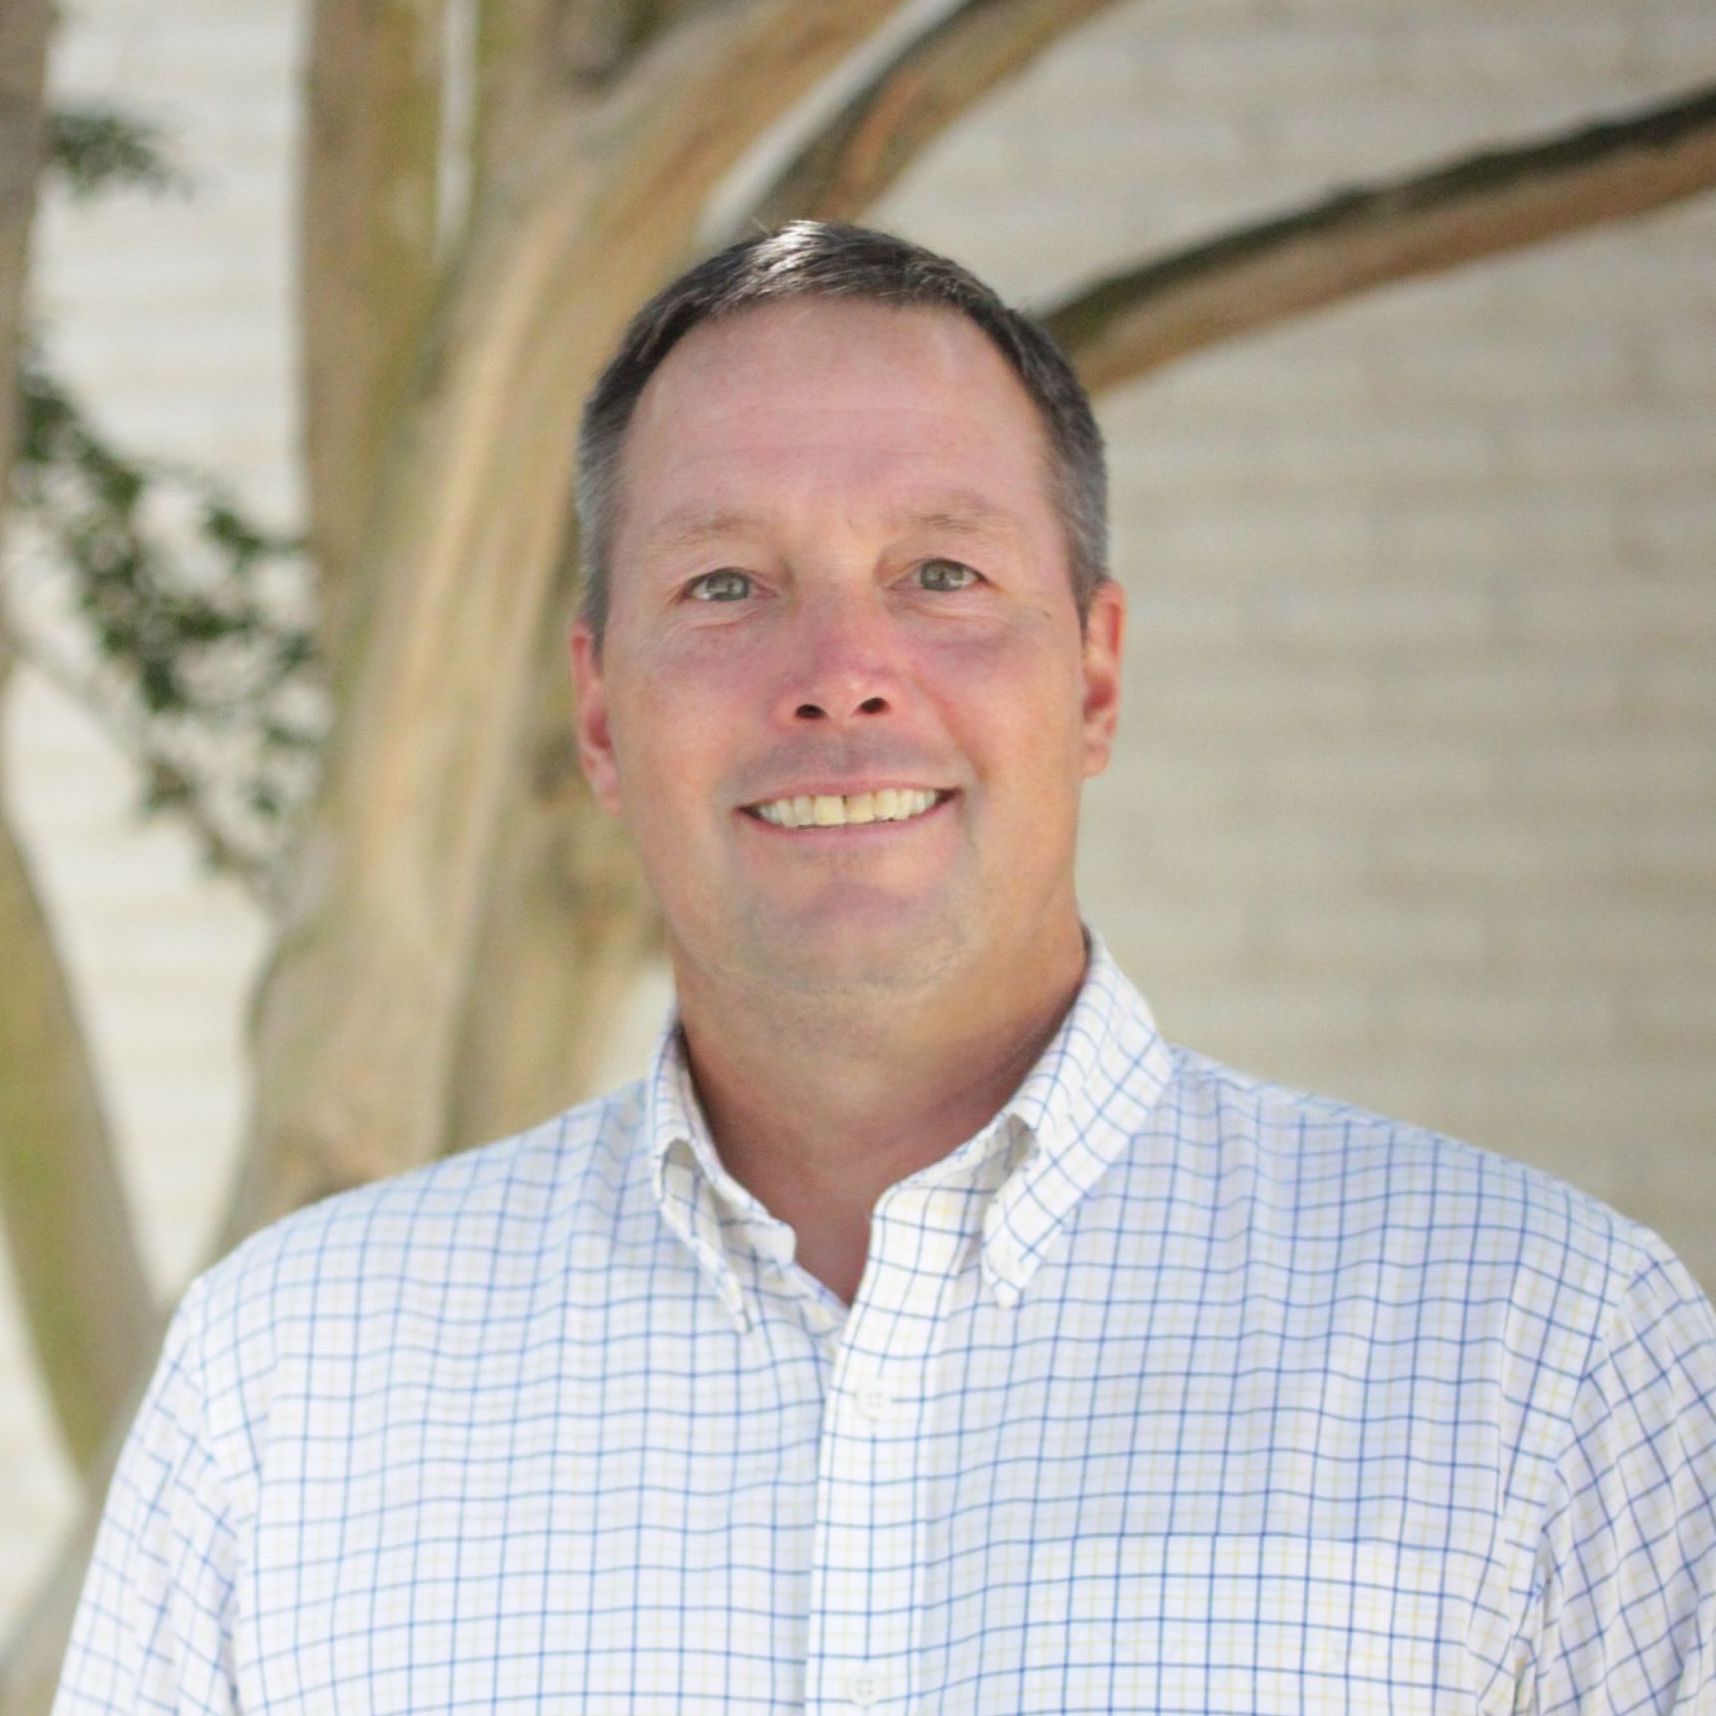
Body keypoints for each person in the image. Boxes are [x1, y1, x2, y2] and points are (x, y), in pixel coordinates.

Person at [56, 222, 1716, 1714]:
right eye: (725, 585)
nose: (843, 675)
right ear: (597, 716)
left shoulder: (1540, 1354)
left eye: (943, 574)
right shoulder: (284, 1383)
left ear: (1095, 677)